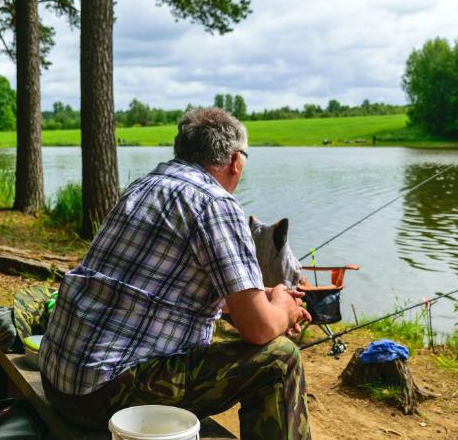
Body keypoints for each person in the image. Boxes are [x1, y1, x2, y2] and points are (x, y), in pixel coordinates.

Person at [39, 108, 312, 440]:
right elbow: (260, 329)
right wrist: (283, 307)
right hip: (105, 398)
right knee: (280, 361)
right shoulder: (216, 203)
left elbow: (162, 288)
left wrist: (260, 294)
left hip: (60, 379)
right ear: (236, 161)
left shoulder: (147, 185)